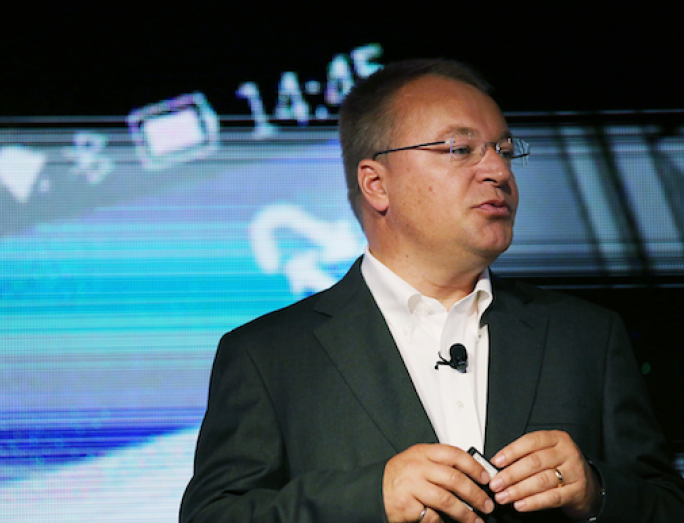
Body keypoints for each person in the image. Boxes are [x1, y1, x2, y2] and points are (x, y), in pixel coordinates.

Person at [179, 59, 684, 523]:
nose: (498, 172)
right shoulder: (268, 356)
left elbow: (666, 503)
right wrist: (371, 498)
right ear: (377, 184)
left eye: (505, 151)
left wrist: (596, 492)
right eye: (460, 149)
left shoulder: (586, 335)